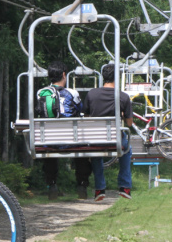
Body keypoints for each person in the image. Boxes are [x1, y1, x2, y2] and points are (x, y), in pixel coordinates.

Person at [37, 60, 92, 200]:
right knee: (83, 150)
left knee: (49, 153)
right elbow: (80, 111)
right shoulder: (72, 93)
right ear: (63, 75)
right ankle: (81, 184)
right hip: (71, 140)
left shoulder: (41, 93)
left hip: (49, 140)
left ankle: (52, 185)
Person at [81, 63, 132, 201]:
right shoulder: (123, 97)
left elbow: (86, 117)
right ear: (117, 77)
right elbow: (129, 123)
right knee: (127, 149)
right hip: (115, 139)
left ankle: (99, 189)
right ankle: (124, 186)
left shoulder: (92, 94)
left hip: (96, 139)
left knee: (97, 154)